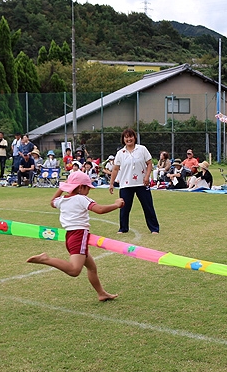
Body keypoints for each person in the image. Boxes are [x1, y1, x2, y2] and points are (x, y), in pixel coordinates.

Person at [26, 171, 122, 301]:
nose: (88, 190)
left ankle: (101, 293)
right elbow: (99, 209)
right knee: (74, 270)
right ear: (81, 187)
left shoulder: (62, 200)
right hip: (79, 235)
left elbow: (52, 201)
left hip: (70, 237)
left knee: (91, 267)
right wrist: (116, 205)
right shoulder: (81, 198)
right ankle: (45, 259)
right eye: (87, 187)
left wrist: (62, 188)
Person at [109, 128, 160, 234]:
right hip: (126, 184)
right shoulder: (120, 153)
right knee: (124, 207)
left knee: (148, 206)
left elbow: (149, 163)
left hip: (142, 183)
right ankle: (123, 228)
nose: (129, 139)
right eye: (126, 137)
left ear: (134, 137)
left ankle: (154, 228)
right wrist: (111, 183)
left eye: (130, 136)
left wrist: (147, 176)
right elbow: (115, 169)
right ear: (123, 139)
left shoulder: (142, 149)